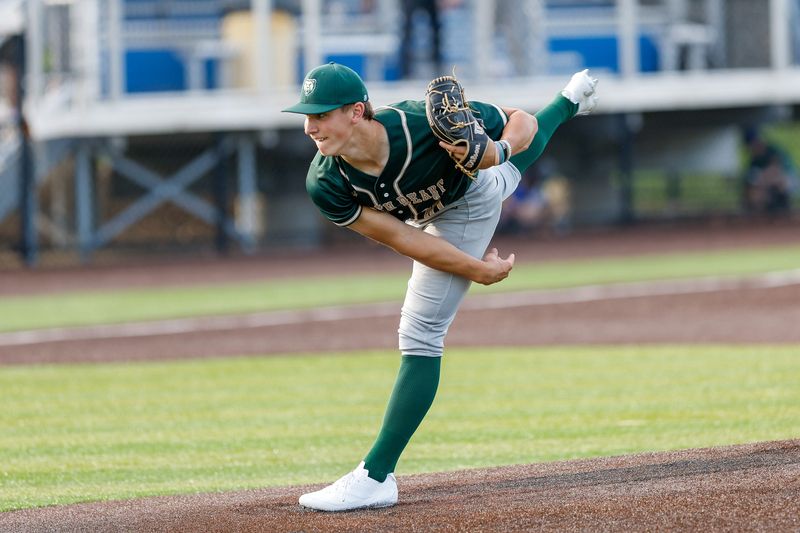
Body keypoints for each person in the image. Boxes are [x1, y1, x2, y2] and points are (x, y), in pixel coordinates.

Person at [282, 62, 598, 511]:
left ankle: (375, 476)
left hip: (464, 205)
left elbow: (520, 122)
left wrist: (500, 148)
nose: (311, 126)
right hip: (428, 215)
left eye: (321, 114)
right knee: (505, 173)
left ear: (356, 111)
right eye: (306, 116)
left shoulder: (421, 122)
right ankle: (570, 100)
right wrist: (474, 268)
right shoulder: (326, 180)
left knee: (421, 333)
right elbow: (402, 237)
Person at [742, 127, 797, 216]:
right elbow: (751, 179)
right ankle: (760, 214)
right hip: (767, 183)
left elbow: (776, 171)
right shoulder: (754, 159)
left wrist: (763, 181)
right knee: (754, 190)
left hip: (788, 179)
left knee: (780, 182)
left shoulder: (772, 150)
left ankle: (784, 209)